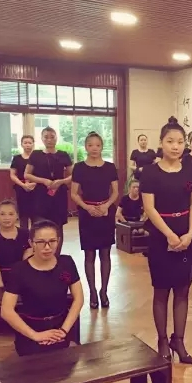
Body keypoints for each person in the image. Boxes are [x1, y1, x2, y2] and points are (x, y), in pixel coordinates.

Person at [141, 118, 192, 364]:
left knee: (183, 290)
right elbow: (149, 208)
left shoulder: (190, 170)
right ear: (161, 143)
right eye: (170, 141)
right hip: (160, 235)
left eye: (180, 142)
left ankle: (179, 340)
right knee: (162, 290)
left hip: (186, 234)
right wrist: (170, 235)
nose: (175, 146)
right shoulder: (150, 172)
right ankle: (163, 340)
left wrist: (190, 233)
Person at [1, 220, 84, 357]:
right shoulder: (19, 270)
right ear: (31, 243)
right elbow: (6, 311)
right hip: (32, 330)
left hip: (61, 326)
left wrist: (63, 330)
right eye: (41, 242)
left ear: (58, 241)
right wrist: (35, 335)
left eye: (52, 241)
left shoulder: (66, 262)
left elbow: (78, 298)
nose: (47, 247)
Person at [71, 132, 119, 309]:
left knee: (105, 254)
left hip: (106, 212)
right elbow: (74, 193)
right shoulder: (79, 168)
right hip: (87, 213)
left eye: (97, 145)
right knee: (89, 254)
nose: (94, 148)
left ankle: (103, 291)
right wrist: (87, 207)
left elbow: (115, 192)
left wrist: (106, 206)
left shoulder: (110, 167)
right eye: (90, 145)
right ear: (85, 147)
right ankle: (92, 291)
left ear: (102, 147)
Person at [24, 127, 73, 256]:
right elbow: (27, 174)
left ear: (56, 138)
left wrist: (61, 181)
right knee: (38, 226)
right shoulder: (36, 154)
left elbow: (73, 175)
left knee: (57, 227)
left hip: (58, 195)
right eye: (46, 137)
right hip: (40, 195)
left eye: (52, 137)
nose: (49, 140)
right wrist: (43, 181)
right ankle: (38, 256)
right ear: (41, 138)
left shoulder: (63, 154)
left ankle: (56, 258)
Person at [0, 200, 32, 288]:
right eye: (2, 214)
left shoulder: (26, 234)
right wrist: (0, 288)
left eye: (11, 214)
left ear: (17, 215)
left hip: (20, 276)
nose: (6, 218)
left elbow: (26, 264)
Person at [10, 135, 37, 229]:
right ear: (21, 144)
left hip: (36, 189)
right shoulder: (17, 158)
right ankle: (23, 236)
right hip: (21, 189)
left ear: (33, 144)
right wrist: (23, 185)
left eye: (30, 143)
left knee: (36, 216)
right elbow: (12, 174)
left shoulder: (37, 157)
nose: (27, 145)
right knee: (23, 216)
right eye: (25, 143)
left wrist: (34, 184)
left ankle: (35, 235)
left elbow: (42, 174)